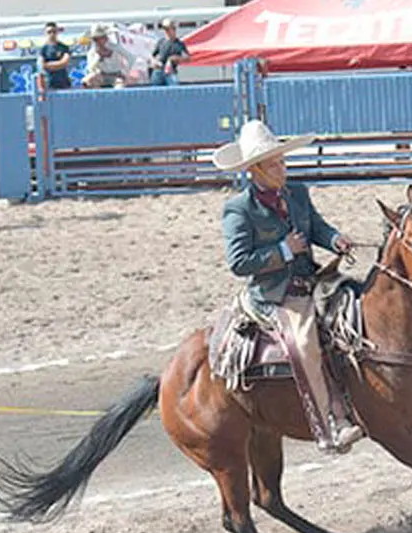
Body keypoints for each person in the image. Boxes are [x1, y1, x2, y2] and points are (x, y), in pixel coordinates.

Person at [213, 120, 366, 454]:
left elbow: (317, 227)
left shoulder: (297, 193)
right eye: (274, 164)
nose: (282, 168)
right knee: (304, 343)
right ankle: (329, 422)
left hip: (313, 280)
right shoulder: (239, 209)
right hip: (274, 294)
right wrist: (284, 251)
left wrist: (334, 238)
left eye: (282, 161)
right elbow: (239, 263)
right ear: (254, 170)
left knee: (360, 309)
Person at [84, 23, 137, 89]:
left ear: (106, 38)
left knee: (119, 88)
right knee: (87, 81)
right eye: (95, 39)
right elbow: (89, 68)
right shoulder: (92, 52)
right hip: (101, 76)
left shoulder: (116, 48)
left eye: (100, 38)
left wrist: (124, 72)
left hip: (116, 75)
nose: (97, 41)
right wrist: (98, 58)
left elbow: (131, 58)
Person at [149, 18, 190, 87]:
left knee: (174, 90)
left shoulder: (179, 44)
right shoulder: (161, 42)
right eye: (165, 29)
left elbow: (187, 58)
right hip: (158, 70)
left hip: (171, 71)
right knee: (155, 91)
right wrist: (154, 62)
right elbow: (152, 55)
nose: (166, 31)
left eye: (168, 29)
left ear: (174, 29)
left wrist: (175, 58)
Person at [38, 22, 73, 91]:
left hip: (64, 83)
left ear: (57, 32)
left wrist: (49, 65)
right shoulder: (43, 49)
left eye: (54, 31)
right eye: (49, 32)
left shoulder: (64, 47)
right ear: (45, 33)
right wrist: (58, 64)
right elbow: (42, 65)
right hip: (49, 84)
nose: (52, 34)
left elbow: (64, 62)